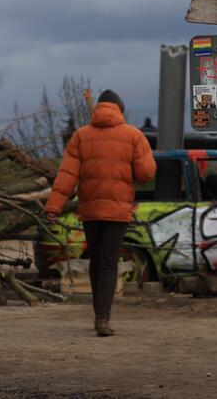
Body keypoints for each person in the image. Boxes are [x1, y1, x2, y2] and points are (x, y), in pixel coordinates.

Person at [45, 90, 156, 337]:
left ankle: (99, 315)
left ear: (98, 109)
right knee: (109, 264)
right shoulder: (134, 136)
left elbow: (66, 176)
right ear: (120, 110)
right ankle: (103, 319)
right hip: (118, 211)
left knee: (96, 263)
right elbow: (147, 173)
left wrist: (53, 207)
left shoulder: (81, 136)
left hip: (91, 211)